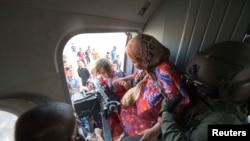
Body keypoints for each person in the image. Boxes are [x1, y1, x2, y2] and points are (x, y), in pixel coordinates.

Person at [119, 34, 190, 141]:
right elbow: (138, 74)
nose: (133, 65)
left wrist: (155, 130)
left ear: (144, 57)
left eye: (134, 61)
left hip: (153, 122)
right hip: (143, 114)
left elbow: (176, 104)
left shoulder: (165, 72)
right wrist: (125, 79)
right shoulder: (151, 64)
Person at [94, 58, 130, 141]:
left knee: (125, 125)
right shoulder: (101, 80)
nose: (106, 74)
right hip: (112, 106)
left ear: (111, 67)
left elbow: (130, 90)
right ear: (99, 73)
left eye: (108, 70)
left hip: (124, 103)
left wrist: (126, 86)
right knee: (112, 125)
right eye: (103, 73)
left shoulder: (120, 75)